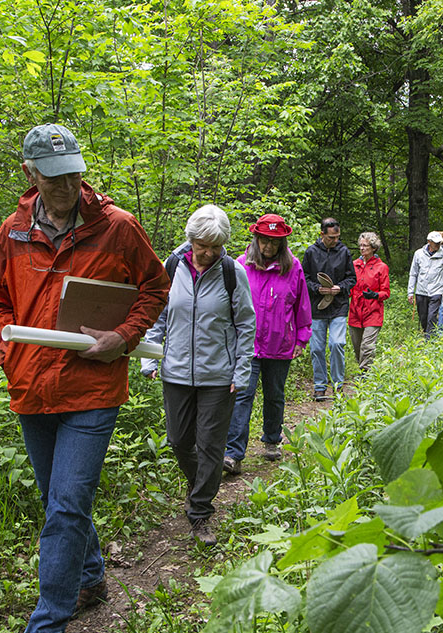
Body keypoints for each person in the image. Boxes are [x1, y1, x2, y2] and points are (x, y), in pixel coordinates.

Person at [0, 123, 170, 633]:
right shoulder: (12, 232)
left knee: (67, 503)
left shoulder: (118, 227)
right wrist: (7, 346)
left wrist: (125, 335)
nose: (67, 187)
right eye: (55, 178)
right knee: (56, 500)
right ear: (30, 173)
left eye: (74, 175)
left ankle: (46, 628)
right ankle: (90, 578)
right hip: (32, 387)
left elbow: (155, 287)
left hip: (93, 388)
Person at [141, 205, 256, 547]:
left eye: (215, 246)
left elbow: (246, 324)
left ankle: (201, 512)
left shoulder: (233, 273)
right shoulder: (171, 266)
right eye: (202, 244)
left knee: (210, 445)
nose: (207, 252)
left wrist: (242, 370)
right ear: (190, 239)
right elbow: (158, 314)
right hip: (175, 371)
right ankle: (201, 484)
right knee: (178, 440)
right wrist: (149, 355)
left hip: (219, 376)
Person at [223, 214, 312, 475]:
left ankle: (272, 439)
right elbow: (228, 305)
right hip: (246, 346)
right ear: (256, 238)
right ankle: (233, 454)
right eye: (263, 240)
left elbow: (301, 305)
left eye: (274, 242)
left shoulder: (293, 267)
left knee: (275, 396)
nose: (268, 247)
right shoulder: (240, 266)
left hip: (279, 344)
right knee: (241, 396)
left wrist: (302, 337)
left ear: (282, 243)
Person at [302, 217, 356, 401]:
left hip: (338, 305)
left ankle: (338, 385)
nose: (335, 241)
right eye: (332, 237)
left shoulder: (344, 252)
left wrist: (339, 288)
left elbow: (352, 279)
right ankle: (319, 386)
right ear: (322, 234)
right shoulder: (311, 252)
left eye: (337, 237)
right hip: (316, 307)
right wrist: (317, 288)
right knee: (316, 348)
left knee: (337, 344)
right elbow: (304, 279)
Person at [348, 231, 390, 372]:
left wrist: (375, 295)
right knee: (357, 346)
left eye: (365, 246)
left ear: (373, 247)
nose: (362, 248)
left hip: (373, 312)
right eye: (360, 245)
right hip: (355, 311)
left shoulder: (381, 267)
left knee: (367, 346)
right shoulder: (354, 265)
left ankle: (365, 375)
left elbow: (386, 292)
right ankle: (365, 369)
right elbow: (348, 286)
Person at [408, 231, 443, 338]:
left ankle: (430, 340)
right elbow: (413, 274)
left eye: (439, 243)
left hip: (436, 291)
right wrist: (410, 292)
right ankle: (426, 333)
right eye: (435, 243)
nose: (438, 245)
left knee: (432, 316)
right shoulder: (418, 254)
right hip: (421, 291)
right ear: (429, 242)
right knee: (423, 317)